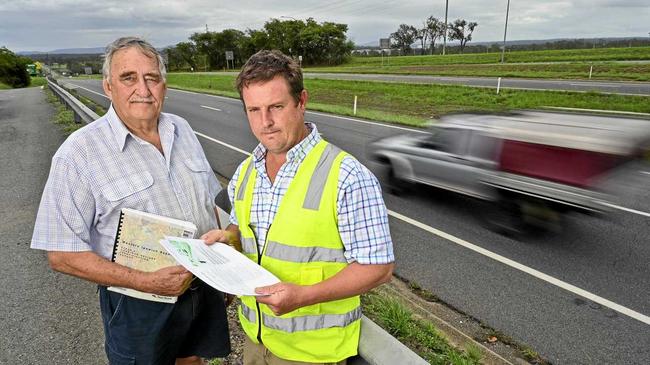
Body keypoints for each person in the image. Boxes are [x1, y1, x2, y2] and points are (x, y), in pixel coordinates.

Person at [31, 37, 230, 365]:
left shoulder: (182, 129)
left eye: (152, 78)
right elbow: (61, 254)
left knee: (195, 359)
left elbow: (214, 205)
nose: (143, 89)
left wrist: (225, 270)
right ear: (108, 87)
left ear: (164, 85)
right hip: (137, 301)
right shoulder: (79, 153)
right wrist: (146, 281)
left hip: (200, 284)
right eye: (129, 78)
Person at [201, 50, 395, 365]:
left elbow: (378, 268)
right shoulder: (247, 170)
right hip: (256, 339)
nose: (265, 123)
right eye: (254, 110)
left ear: (301, 101)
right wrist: (229, 240)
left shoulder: (347, 176)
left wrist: (302, 297)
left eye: (276, 107)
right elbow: (241, 229)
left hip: (313, 354)